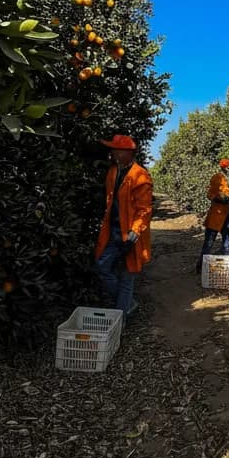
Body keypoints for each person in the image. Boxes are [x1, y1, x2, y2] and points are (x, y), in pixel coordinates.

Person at [94, 134, 153, 320]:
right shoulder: (113, 171)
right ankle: (128, 304)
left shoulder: (140, 175)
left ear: (127, 153)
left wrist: (135, 232)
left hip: (130, 234)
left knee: (128, 276)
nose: (112, 153)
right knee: (102, 266)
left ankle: (120, 319)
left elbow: (144, 210)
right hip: (113, 231)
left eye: (116, 150)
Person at [195, 157, 229, 275]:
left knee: (227, 244)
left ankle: (226, 270)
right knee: (210, 243)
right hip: (217, 214)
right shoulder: (217, 178)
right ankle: (201, 267)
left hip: (226, 215)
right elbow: (210, 195)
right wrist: (220, 198)